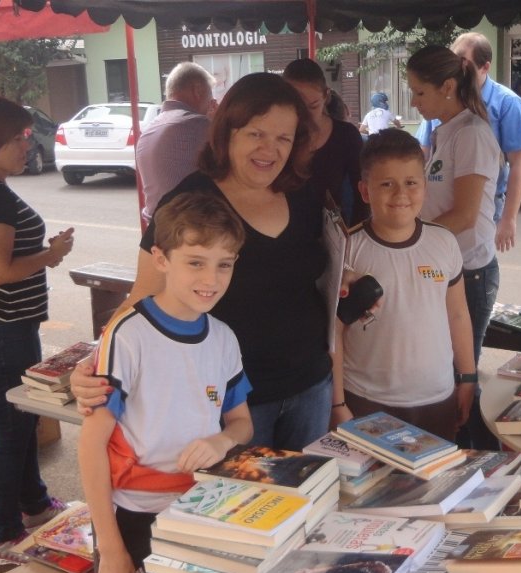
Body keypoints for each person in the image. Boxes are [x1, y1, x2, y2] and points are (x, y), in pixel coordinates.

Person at [80, 191, 253, 573]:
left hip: (198, 521)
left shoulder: (223, 338)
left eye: (224, 264)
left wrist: (222, 441)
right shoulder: (127, 332)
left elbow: (240, 420)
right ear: (160, 258)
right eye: (195, 261)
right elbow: (90, 441)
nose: (211, 278)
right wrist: (110, 546)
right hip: (133, 519)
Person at [72, 72, 334, 451]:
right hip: (233, 404)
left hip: (310, 385)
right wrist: (94, 364)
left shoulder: (303, 194)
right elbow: (142, 296)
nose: (269, 150)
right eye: (255, 134)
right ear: (228, 132)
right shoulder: (190, 200)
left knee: (309, 503)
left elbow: (318, 272)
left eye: (283, 138)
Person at [0, 96, 74, 566]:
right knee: (12, 428)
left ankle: (33, 503)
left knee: (24, 418)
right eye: (18, 136)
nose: (27, 144)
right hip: (1, 330)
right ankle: (3, 537)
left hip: (5, 327)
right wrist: (51, 255)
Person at [330, 129, 476, 442]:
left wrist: (468, 377)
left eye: (411, 182)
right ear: (365, 191)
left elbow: (458, 315)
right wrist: (338, 401)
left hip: (437, 398)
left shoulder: (444, 243)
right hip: (365, 400)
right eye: (386, 184)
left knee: (434, 489)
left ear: (424, 186)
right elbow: (334, 333)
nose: (401, 195)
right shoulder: (346, 251)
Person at [407, 44, 501, 449]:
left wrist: (408, 241)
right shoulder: (444, 130)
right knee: (445, 372)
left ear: (448, 86)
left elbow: (463, 215)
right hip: (444, 267)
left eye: (419, 92)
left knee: (463, 375)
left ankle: (482, 457)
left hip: (470, 271)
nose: (413, 102)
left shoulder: (473, 134)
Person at [416, 32, 521, 253]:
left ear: (485, 67)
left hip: (481, 201)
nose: (456, 68)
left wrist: (509, 219)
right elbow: (424, 152)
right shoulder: (442, 101)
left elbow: (518, 163)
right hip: (441, 202)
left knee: (471, 254)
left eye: (462, 62)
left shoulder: (506, 104)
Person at [283, 58, 366, 224]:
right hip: (281, 232)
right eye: (296, 106)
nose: (304, 115)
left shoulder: (346, 135)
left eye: (313, 106)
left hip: (331, 236)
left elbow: (362, 196)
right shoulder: (275, 135)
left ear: (326, 96)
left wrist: (354, 238)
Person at [136, 61, 217, 224]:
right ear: (198, 90)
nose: (212, 101)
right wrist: (218, 121)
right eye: (210, 94)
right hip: (190, 228)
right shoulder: (196, 124)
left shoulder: (150, 128)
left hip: (157, 225)